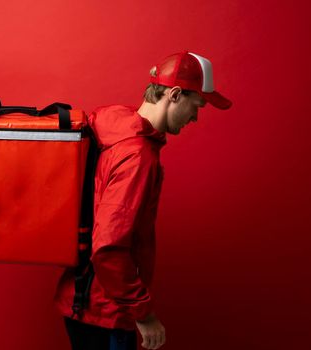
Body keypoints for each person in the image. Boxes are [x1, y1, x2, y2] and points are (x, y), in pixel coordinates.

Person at [54, 51, 232, 350]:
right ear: (175, 95)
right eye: (196, 105)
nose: (196, 117)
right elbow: (109, 247)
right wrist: (144, 313)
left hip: (82, 299)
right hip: (105, 311)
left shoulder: (115, 129)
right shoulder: (138, 156)